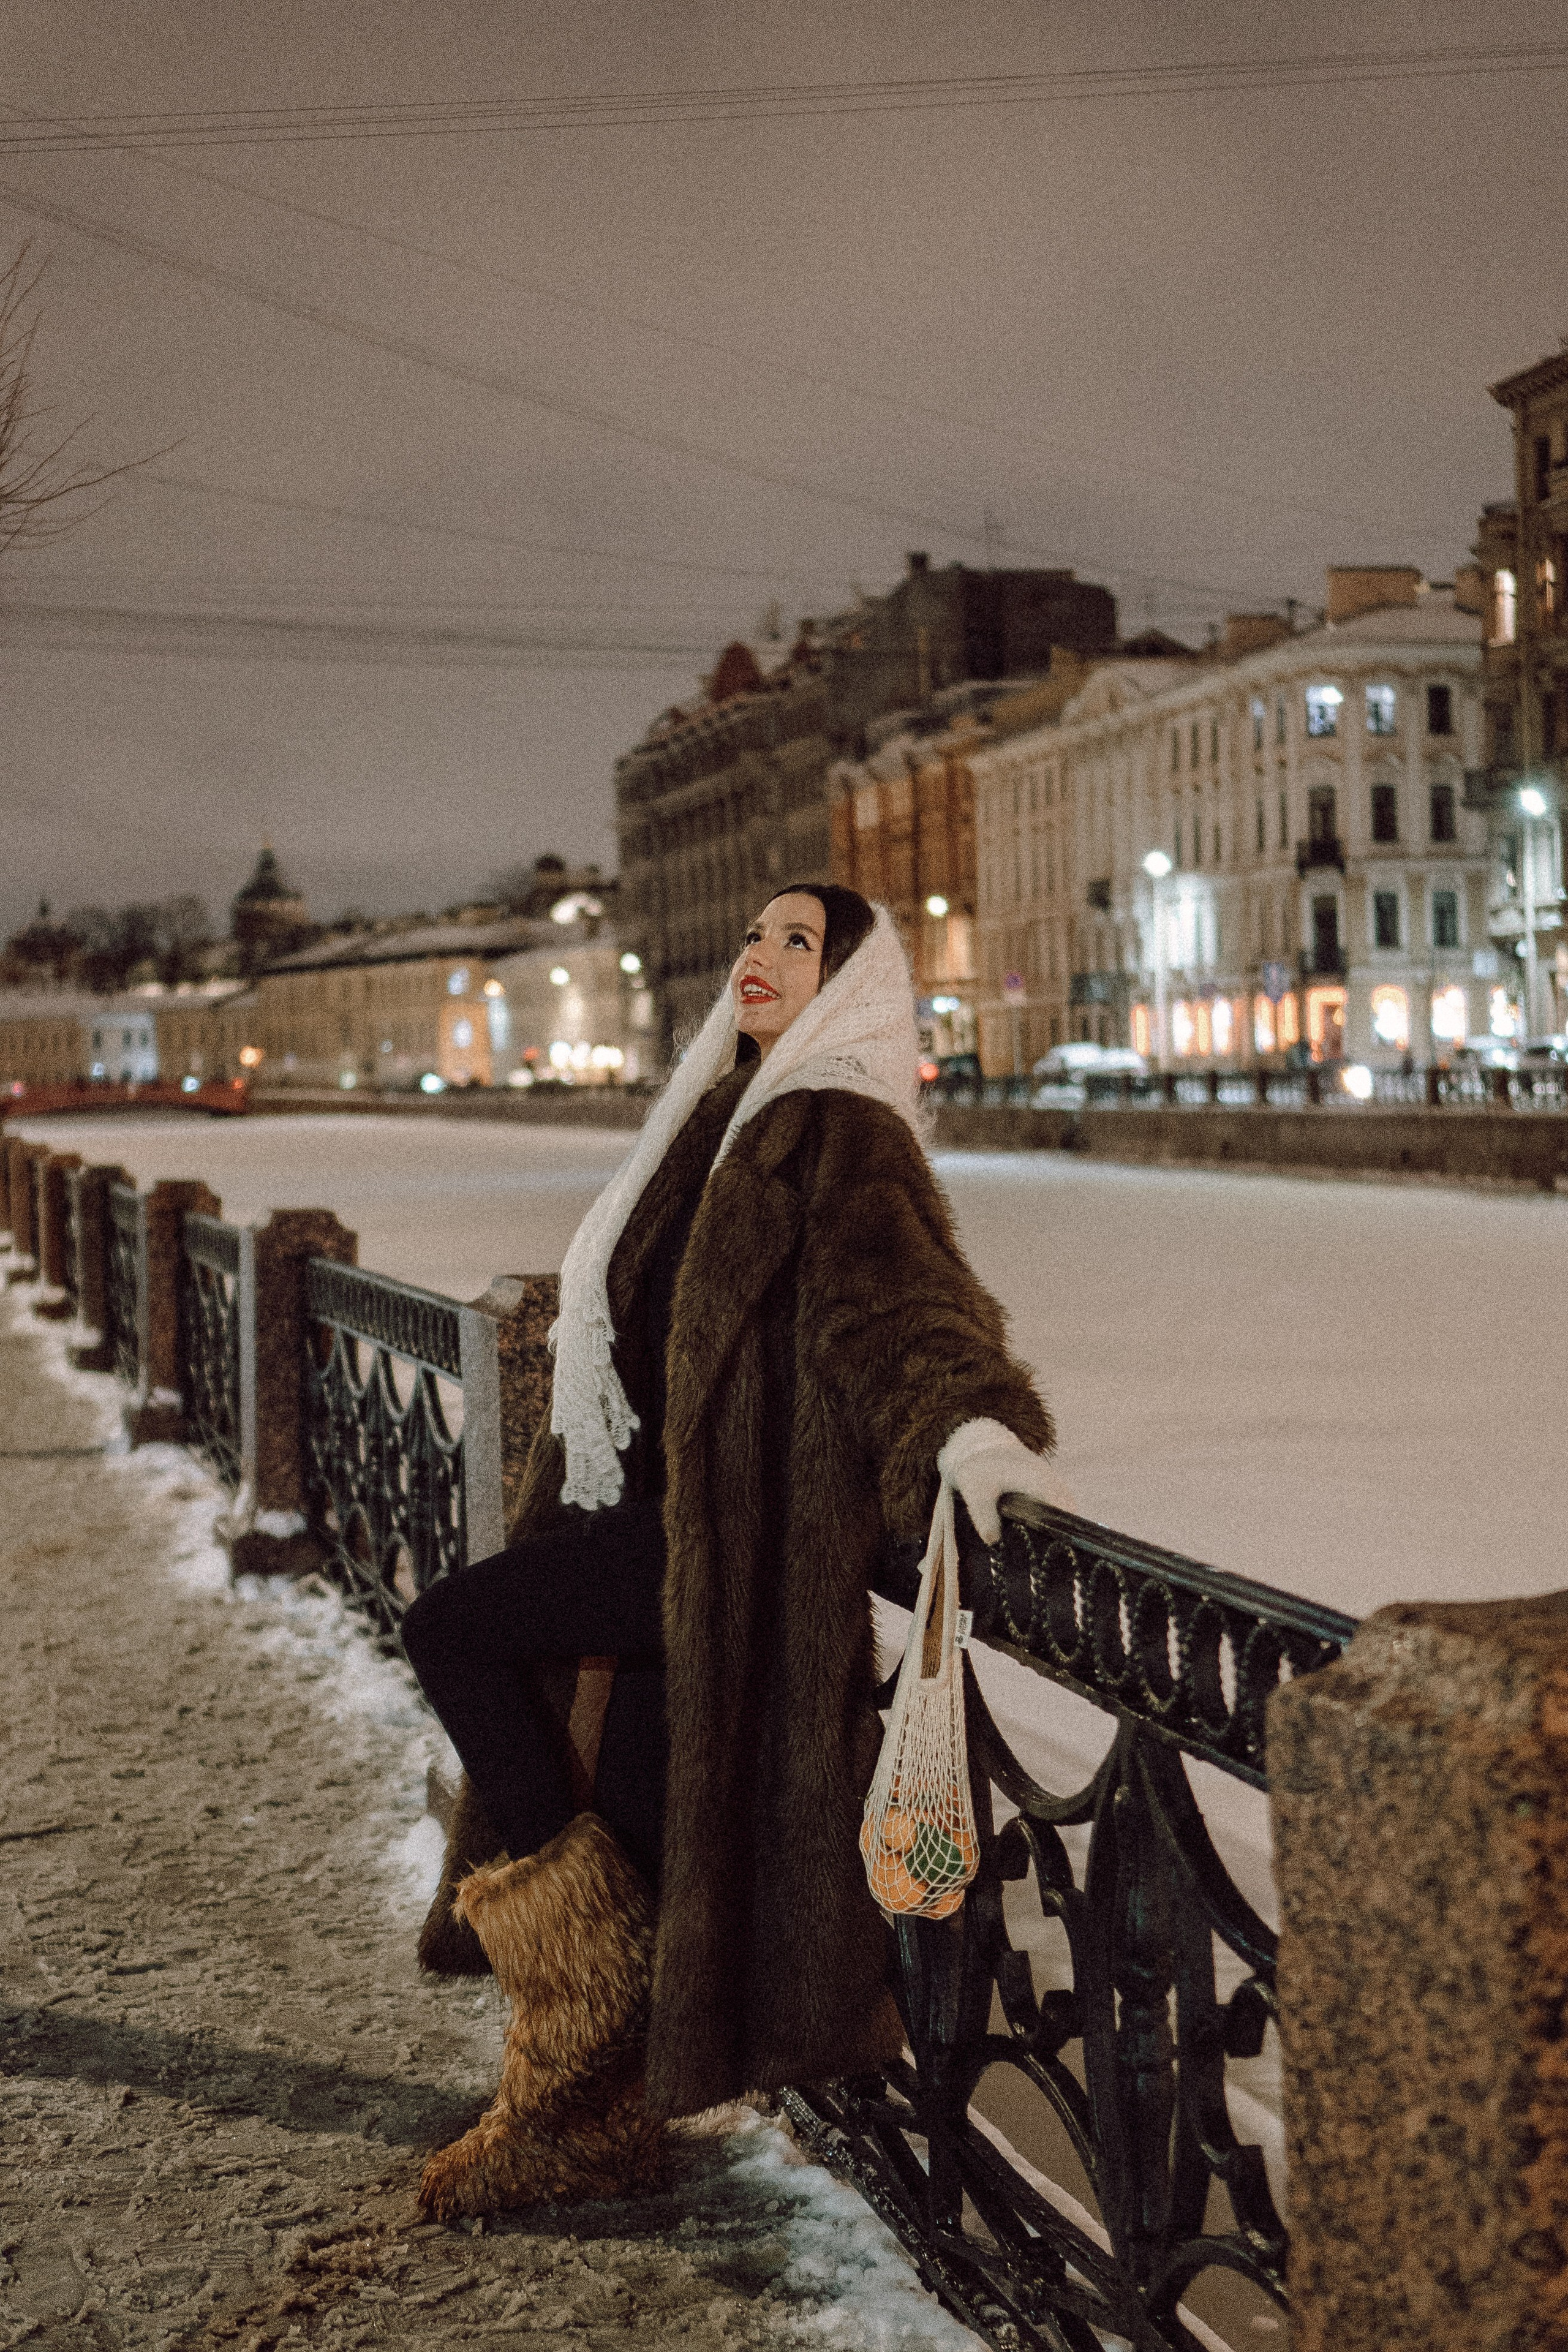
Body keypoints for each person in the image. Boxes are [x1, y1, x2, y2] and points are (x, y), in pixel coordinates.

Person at [402, 883, 1063, 2222]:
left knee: (452, 1628)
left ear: (852, 985)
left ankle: (578, 1970)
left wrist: (971, 1428)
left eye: (797, 943)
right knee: (628, 1798)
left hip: (721, 1548)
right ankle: (578, 2112)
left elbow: (903, 1308)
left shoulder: (837, 1131)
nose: (758, 958)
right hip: (641, 1517)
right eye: (755, 936)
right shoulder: (719, 1113)